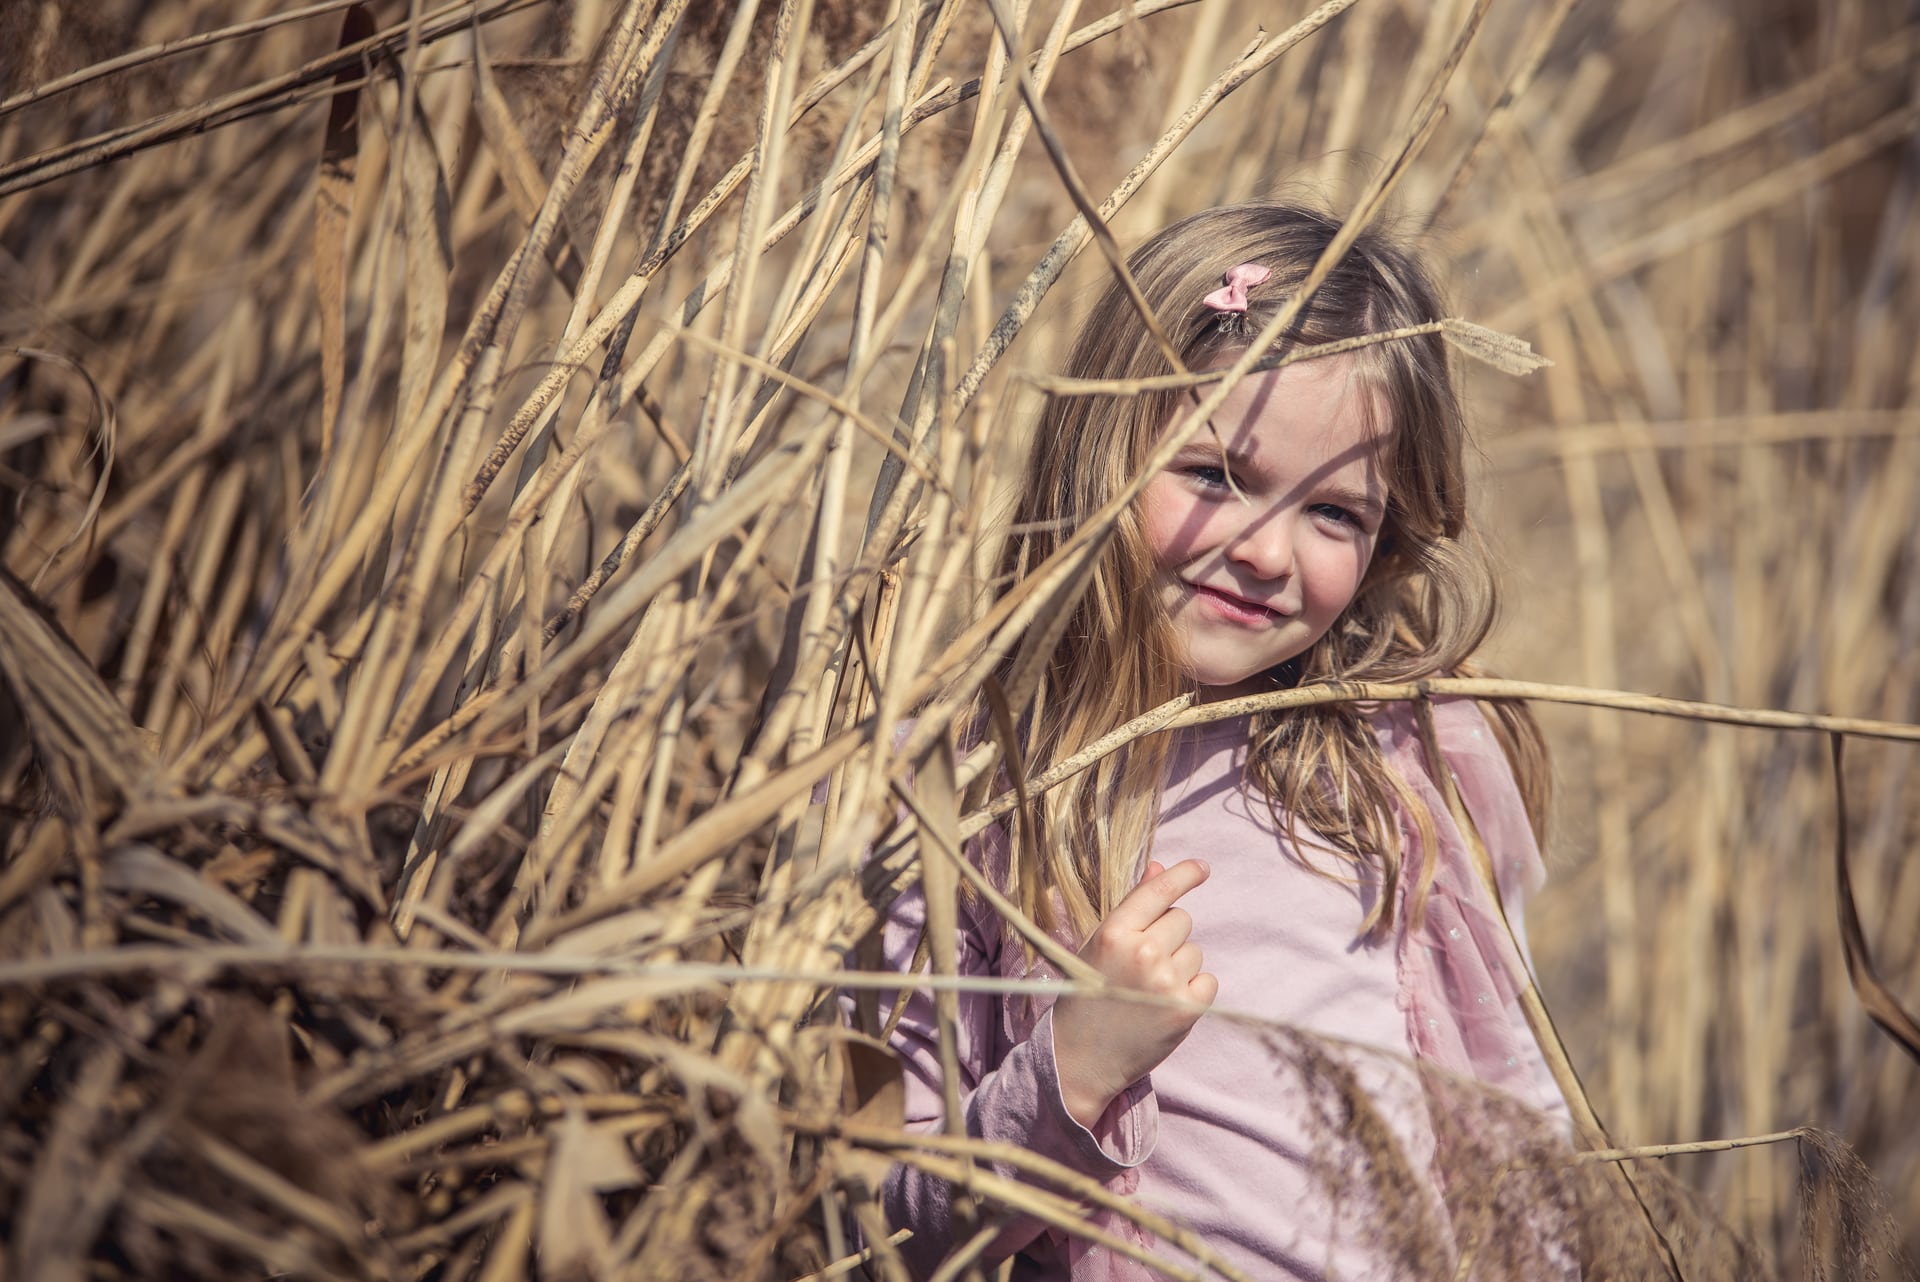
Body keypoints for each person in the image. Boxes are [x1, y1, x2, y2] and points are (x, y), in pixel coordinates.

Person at [861, 203, 1573, 1281]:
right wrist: (1072, 1069)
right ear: (1104, 443)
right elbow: (890, 1233)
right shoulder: (962, 783)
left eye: (1335, 514)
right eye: (1215, 476)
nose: (1265, 552)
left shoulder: (1387, 763)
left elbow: (1513, 1124)